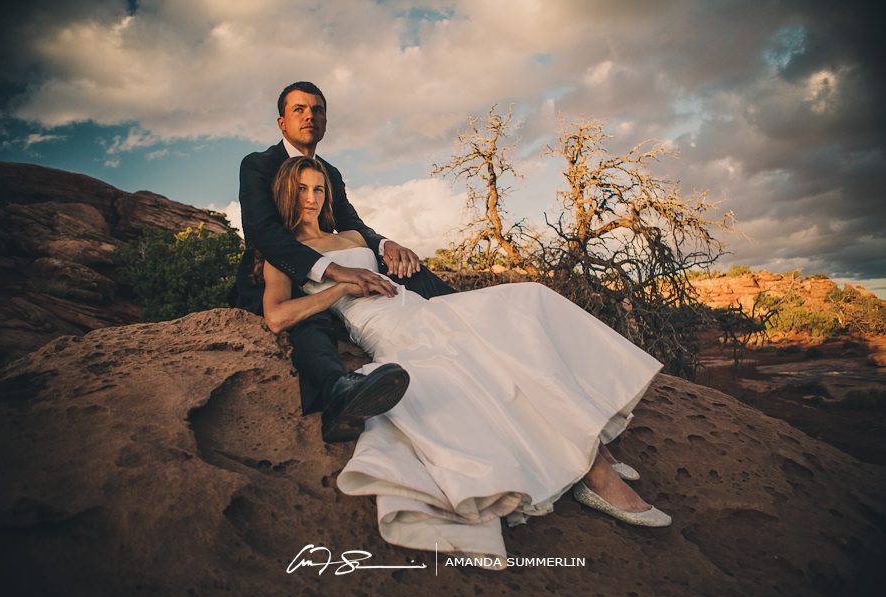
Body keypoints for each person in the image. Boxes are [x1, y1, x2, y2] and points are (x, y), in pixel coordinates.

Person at [261, 155, 672, 568]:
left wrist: (394, 252)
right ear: (286, 192)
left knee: (528, 301)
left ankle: (589, 435)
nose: (312, 198)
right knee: (478, 355)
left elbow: (390, 261)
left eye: (319, 189)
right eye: (302, 189)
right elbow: (277, 316)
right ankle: (596, 474)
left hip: (419, 305)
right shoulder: (284, 254)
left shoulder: (351, 235)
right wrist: (340, 288)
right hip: (388, 327)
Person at [229, 81, 455, 443]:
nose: (310, 116)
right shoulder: (258, 165)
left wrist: (385, 244)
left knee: (404, 269)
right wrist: (335, 272)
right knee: (311, 317)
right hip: (277, 270)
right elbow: (262, 232)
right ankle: (339, 393)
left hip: (333, 259)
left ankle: (461, 312)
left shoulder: (330, 173)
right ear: (282, 122)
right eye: (299, 109)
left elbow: (350, 223)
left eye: (317, 110)